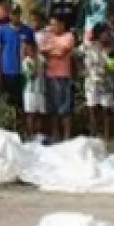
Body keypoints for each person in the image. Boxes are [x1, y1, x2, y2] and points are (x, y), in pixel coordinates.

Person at [39, 12, 75, 142]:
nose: (52, 27)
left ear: (62, 24)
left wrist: (51, 50)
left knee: (65, 108)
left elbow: (62, 52)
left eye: (55, 24)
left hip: (63, 75)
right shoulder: (47, 36)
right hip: (50, 74)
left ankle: (67, 136)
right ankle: (55, 135)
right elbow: (42, 50)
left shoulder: (69, 36)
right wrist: (54, 49)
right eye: (51, 24)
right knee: (53, 108)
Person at [81, 23, 114, 140]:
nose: (106, 35)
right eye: (104, 33)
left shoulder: (112, 47)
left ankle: (106, 135)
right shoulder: (88, 45)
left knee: (106, 109)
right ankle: (94, 134)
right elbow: (77, 54)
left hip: (106, 81)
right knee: (93, 108)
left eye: (108, 33)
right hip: (92, 81)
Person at [21, 40, 46, 140]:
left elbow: (46, 66)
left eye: (34, 49)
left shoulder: (41, 59)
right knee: (30, 113)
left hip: (40, 90)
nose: (32, 52)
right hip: (30, 91)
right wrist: (35, 61)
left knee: (40, 113)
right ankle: (30, 135)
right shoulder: (25, 62)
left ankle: (39, 134)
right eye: (29, 50)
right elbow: (32, 75)